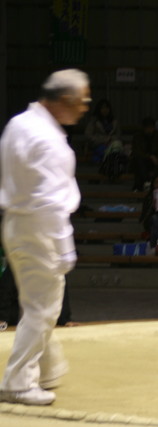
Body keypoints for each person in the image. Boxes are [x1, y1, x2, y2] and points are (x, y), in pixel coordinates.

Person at [0, 68, 90, 405]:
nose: (85, 107)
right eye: (83, 101)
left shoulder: (19, 123)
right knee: (43, 306)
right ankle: (18, 382)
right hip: (40, 228)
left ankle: (48, 368)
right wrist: (65, 246)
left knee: (37, 303)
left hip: (15, 223)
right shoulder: (48, 140)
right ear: (65, 99)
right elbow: (50, 202)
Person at [130, 117, 158, 191]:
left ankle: (145, 184)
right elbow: (136, 151)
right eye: (147, 128)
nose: (149, 130)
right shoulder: (138, 137)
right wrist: (150, 157)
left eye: (151, 128)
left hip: (157, 161)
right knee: (138, 161)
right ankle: (145, 182)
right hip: (143, 161)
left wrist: (157, 159)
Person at [83, 98, 123, 164]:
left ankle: (108, 160)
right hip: (99, 144)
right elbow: (88, 135)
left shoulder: (114, 121)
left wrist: (111, 140)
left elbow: (118, 134)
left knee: (116, 147)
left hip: (112, 143)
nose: (105, 110)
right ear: (99, 109)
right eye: (103, 108)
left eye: (107, 108)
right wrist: (103, 140)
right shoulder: (94, 122)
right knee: (103, 152)